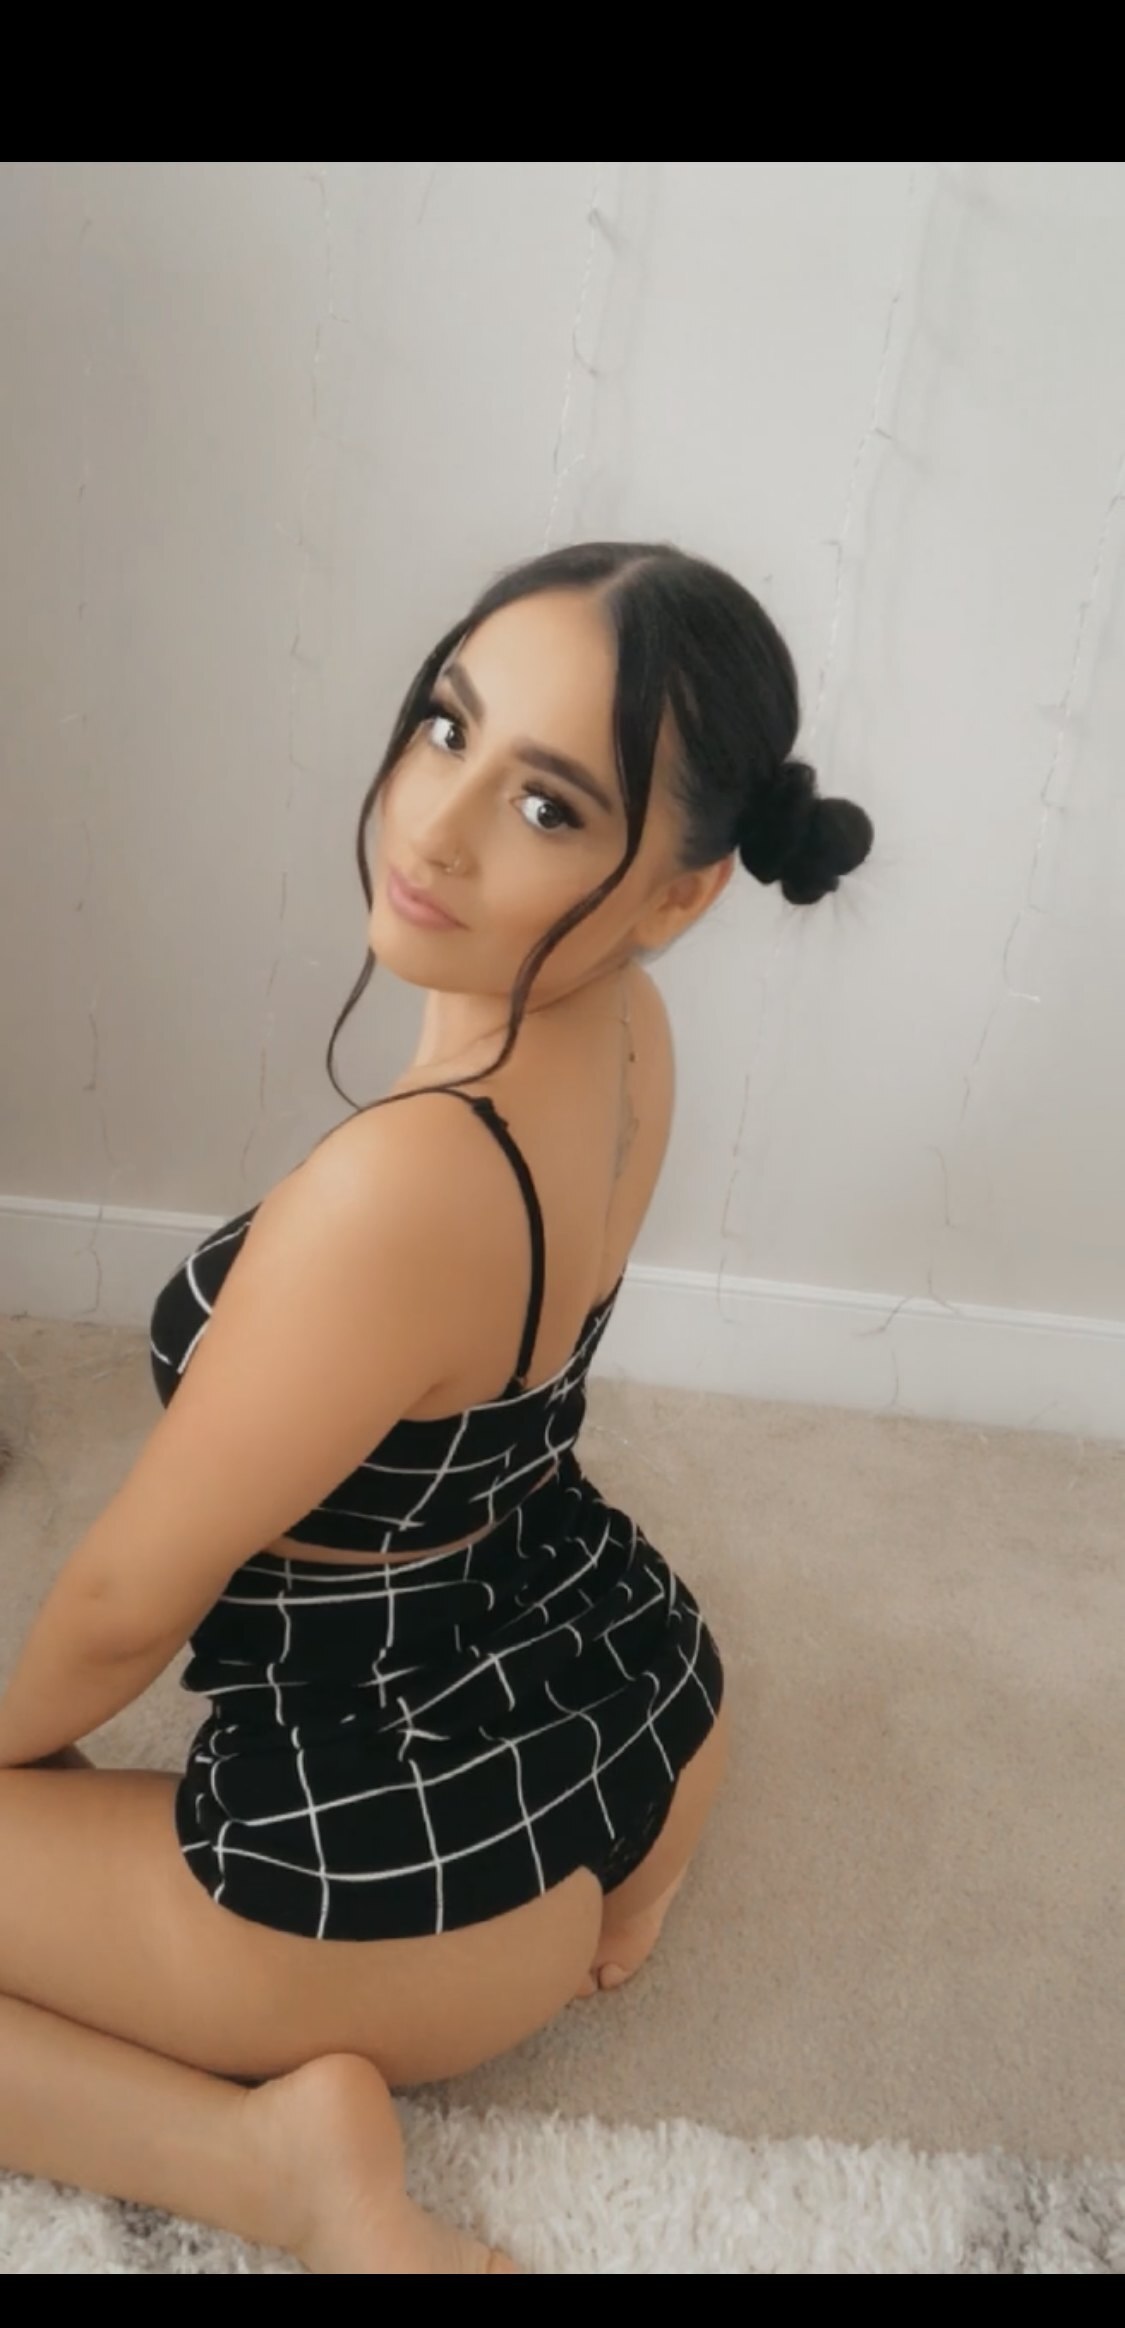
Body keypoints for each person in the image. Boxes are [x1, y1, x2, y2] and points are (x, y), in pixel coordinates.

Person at [0, 541, 873, 2274]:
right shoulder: (628, 1032)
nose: (434, 826)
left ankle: (284, 2173)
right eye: (445, 728)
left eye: (545, 807)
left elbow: (119, 1607)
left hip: (404, 1895)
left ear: (679, 893)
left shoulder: (400, 1190)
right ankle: (632, 1880)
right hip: (623, 1707)